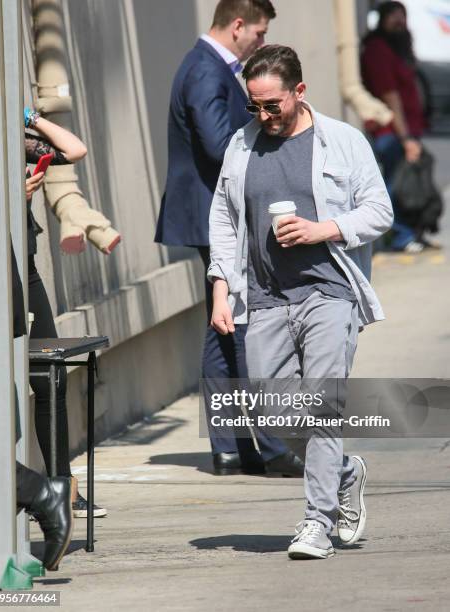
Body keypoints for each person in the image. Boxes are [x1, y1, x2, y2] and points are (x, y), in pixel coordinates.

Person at [208, 45, 393, 558]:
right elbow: (224, 219)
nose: (264, 115)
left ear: (299, 92)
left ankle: (317, 522)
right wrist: (221, 286)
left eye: (273, 105)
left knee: (323, 405)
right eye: (255, 105)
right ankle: (344, 472)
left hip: (329, 290)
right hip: (265, 296)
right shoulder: (242, 147)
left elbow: (379, 211)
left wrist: (323, 228)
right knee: (272, 414)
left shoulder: (342, 141)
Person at [155, 0, 303, 476]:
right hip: (212, 213)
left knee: (225, 328)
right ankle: (266, 443)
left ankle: (234, 447)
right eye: (258, 34)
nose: (260, 43)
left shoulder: (206, 67)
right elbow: (224, 147)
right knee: (240, 324)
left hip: (208, 211)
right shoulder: (205, 70)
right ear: (238, 26)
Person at [24, 107, 106, 517]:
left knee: (51, 374)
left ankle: (61, 486)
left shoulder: (10, 138)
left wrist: (30, 116)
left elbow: (74, 149)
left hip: (24, 270)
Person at [12, 244, 72, 572]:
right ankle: (44, 493)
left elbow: (61, 189)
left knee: (51, 378)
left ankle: (55, 489)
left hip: (21, 261)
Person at [361, 1, 428, 252]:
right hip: (390, 132)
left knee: (407, 183)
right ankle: (398, 236)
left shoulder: (399, 48)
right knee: (395, 186)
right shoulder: (378, 49)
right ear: (382, 20)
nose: (399, 21)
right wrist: (406, 137)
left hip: (406, 130)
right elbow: (390, 96)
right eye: (393, 17)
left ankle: (408, 233)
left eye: (402, 16)